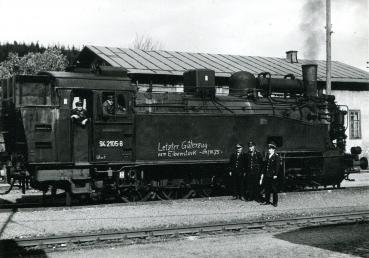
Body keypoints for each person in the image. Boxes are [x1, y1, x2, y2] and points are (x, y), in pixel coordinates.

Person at [260, 142, 281, 207]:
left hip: (272, 175)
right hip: (267, 175)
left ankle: (275, 202)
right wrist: (263, 174)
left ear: (273, 149)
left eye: (270, 149)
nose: (269, 150)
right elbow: (265, 166)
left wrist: (275, 174)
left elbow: (277, 166)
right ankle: (267, 201)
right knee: (267, 189)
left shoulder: (276, 156)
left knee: (274, 189)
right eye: (268, 149)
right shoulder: (267, 156)